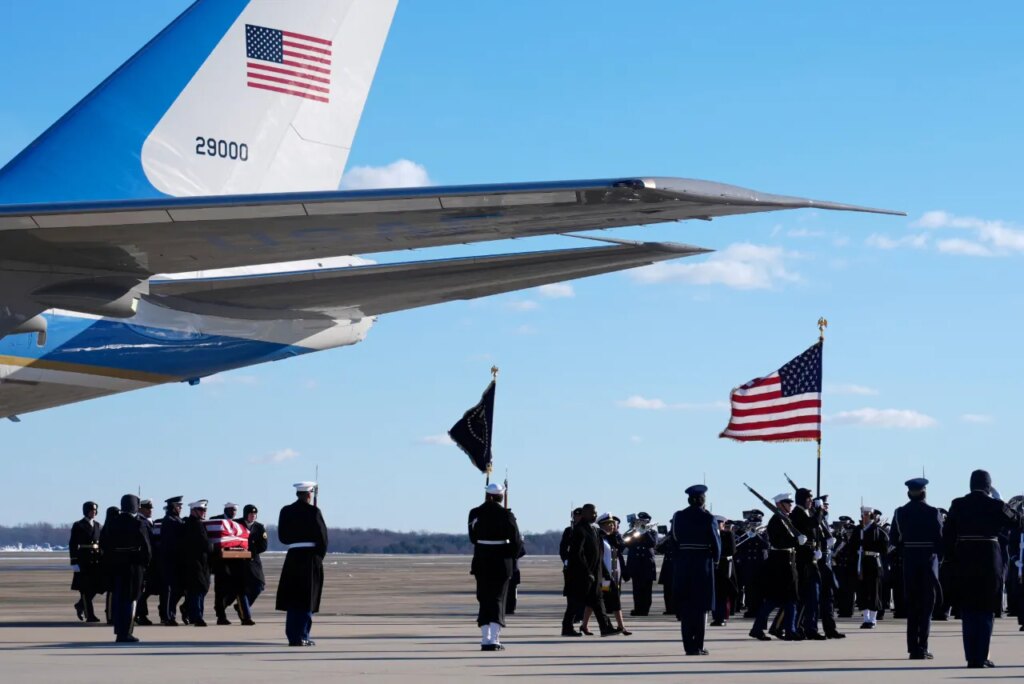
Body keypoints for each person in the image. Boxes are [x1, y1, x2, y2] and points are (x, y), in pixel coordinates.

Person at [944, 469, 1022, 668]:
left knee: (968, 611)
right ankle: (981, 656)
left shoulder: (957, 504)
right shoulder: (995, 505)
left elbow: (948, 536)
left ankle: (971, 657)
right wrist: (1006, 505)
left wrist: (953, 560)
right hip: (989, 561)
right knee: (986, 611)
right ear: (989, 486)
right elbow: (1017, 522)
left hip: (964, 561)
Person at [890, 477, 942, 660]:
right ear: (924, 492)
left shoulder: (900, 513)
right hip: (928, 563)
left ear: (908, 493)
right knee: (927, 606)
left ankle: (913, 647)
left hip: (910, 562)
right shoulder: (932, 512)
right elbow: (940, 540)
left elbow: (894, 541)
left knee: (912, 606)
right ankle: (923, 646)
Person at [468, 482, 523, 651]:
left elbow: (472, 537)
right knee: (498, 599)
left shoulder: (475, 513)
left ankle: (486, 638)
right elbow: (516, 540)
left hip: (482, 559)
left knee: (484, 599)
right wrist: (513, 555)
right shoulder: (506, 515)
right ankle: (494, 639)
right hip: (501, 561)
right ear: (500, 496)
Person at [276, 481, 328, 647]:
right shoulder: (313, 511)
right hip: (310, 558)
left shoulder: (286, 511)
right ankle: (303, 635)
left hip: (293, 557)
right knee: (307, 597)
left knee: (293, 598)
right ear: (309, 494)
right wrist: (319, 557)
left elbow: (283, 537)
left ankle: (293, 636)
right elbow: (322, 538)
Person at [671, 484, 721, 656]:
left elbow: (675, 539)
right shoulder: (708, 518)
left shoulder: (678, 516)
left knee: (686, 607)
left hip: (683, 563)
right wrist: (715, 560)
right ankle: (698, 645)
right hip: (702, 564)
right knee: (700, 607)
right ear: (702, 500)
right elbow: (716, 543)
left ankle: (688, 646)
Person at [99, 494, 152, 643]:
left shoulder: (113, 522)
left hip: (116, 566)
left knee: (118, 599)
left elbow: (104, 543)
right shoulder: (137, 523)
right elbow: (146, 548)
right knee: (131, 600)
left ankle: (119, 630)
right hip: (134, 567)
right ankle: (126, 632)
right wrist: (145, 565)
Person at [749, 493, 801, 641]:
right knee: (781, 599)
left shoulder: (786, 519)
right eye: (787, 503)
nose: (790, 505)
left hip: (788, 560)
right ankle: (786, 629)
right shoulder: (776, 521)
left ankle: (762, 629)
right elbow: (779, 542)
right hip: (780, 563)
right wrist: (796, 540)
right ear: (779, 504)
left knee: (788, 599)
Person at [561, 503, 616, 637]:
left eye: (595, 513)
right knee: (574, 602)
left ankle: (605, 627)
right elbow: (577, 554)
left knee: (598, 601)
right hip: (581, 575)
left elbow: (598, 555)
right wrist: (587, 572)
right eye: (592, 513)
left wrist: (605, 573)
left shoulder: (595, 530)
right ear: (585, 514)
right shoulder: (579, 530)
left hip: (595, 574)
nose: (595, 515)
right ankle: (567, 628)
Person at [582, 513, 631, 637]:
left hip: (613, 574)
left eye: (613, 524)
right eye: (608, 524)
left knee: (599, 600)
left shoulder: (612, 538)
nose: (611, 527)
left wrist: (616, 534)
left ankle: (585, 625)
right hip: (603, 575)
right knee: (601, 600)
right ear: (601, 525)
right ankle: (620, 626)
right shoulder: (598, 538)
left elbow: (621, 547)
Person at [790, 488, 826, 640]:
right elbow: (812, 524)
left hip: (811, 558)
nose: (810, 501)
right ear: (802, 499)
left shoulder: (806, 512)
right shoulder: (797, 513)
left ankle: (810, 627)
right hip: (803, 561)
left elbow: (816, 529)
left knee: (813, 596)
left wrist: (818, 548)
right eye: (808, 499)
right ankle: (801, 627)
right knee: (807, 596)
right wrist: (818, 510)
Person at [851, 505, 888, 629]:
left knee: (874, 591)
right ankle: (866, 618)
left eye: (867, 514)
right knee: (862, 591)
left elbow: (885, 546)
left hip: (873, 562)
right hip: (861, 562)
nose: (865, 517)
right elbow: (852, 545)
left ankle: (872, 619)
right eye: (863, 514)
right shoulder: (858, 530)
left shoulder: (877, 530)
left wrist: (869, 546)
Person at [815, 497, 845, 639]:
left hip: (827, 563)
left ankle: (830, 629)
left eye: (826, 506)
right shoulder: (816, 521)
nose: (826, 508)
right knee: (815, 599)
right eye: (823, 506)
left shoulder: (824, 522)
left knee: (828, 598)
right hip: (818, 563)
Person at [69, 501, 103, 623]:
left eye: (95, 510)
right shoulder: (78, 525)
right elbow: (73, 544)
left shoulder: (98, 525)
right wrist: (74, 561)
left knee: (95, 588)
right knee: (84, 589)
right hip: (83, 560)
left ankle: (80, 605)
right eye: (91, 510)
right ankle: (90, 615)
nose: (93, 512)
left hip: (95, 561)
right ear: (86, 511)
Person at [181, 499, 213, 627]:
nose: (204, 512)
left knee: (200, 589)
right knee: (198, 589)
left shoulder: (191, 523)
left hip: (198, 562)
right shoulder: (196, 525)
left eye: (205, 510)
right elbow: (204, 544)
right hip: (196, 562)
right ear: (193, 511)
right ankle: (197, 617)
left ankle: (191, 611)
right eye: (201, 510)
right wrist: (213, 547)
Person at [237, 504, 267, 625]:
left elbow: (263, 545)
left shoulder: (259, 528)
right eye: (251, 514)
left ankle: (242, 607)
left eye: (255, 514)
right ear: (245, 514)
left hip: (254, 561)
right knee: (242, 589)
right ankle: (246, 617)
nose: (253, 516)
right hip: (239, 562)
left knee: (259, 585)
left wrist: (250, 552)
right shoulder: (237, 524)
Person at [158, 496, 186, 626]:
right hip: (170, 560)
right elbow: (171, 543)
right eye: (178, 506)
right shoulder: (169, 521)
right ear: (173, 507)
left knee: (178, 589)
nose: (180, 508)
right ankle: (168, 616)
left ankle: (169, 613)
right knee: (169, 590)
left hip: (176, 560)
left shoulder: (176, 519)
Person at [624, 512, 658, 617]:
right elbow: (626, 542)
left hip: (647, 565)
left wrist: (644, 531)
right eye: (639, 521)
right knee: (637, 589)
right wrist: (633, 529)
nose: (641, 523)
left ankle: (645, 609)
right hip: (636, 565)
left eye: (643, 521)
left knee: (646, 590)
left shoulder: (652, 532)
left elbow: (652, 543)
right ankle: (637, 608)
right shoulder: (633, 532)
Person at [210, 502, 239, 625]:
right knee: (220, 589)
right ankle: (221, 616)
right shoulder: (215, 521)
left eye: (235, 510)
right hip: (219, 561)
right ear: (226, 510)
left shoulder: (237, 524)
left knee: (234, 588)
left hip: (233, 561)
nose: (233, 512)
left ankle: (221, 607)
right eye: (231, 510)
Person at [135, 499, 158, 626]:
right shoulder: (140, 522)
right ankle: (140, 614)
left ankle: (141, 614)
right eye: (147, 508)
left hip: (150, 561)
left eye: (151, 508)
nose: (150, 511)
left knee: (146, 589)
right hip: (144, 562)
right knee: (142, 590)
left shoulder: (148, 522)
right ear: (140, 509)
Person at [710, 516, 736, 627]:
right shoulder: (711, 535)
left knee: (724, 592)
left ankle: (723, 617)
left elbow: (732, 550)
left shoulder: (728, 534)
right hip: (713, 566)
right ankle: (716, 617)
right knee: (715, 592)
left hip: (725, 565)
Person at [560, 508, 584, 624]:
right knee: (571, 593)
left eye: (580, 516)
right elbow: (563, 549)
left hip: (584, 566)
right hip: (571, 566)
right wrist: (566, 561)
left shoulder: (588, 530)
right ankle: (573, 615)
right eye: (576, 516)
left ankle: (580, 614)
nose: (577, 518)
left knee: (583, 593)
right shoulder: (569, 531)